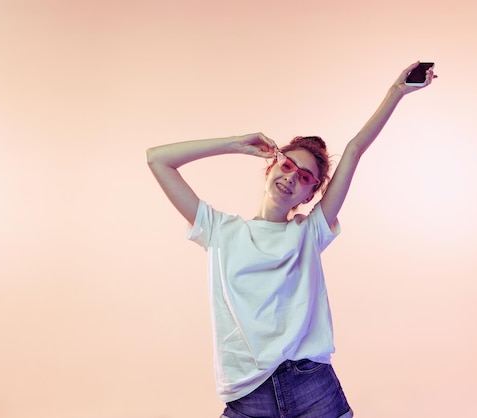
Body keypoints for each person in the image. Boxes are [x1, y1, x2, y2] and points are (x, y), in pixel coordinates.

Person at [146, 61, 436, 418]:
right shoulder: (220, 231)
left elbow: (354, 149)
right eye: (287, 167)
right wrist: (235, 143)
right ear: (271, 167)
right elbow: (158, 160)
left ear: (309, 195)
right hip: (247, 394)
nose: (292, 178)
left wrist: (396, 93)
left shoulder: (309, 232)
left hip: (311, 385)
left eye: (304, 178)